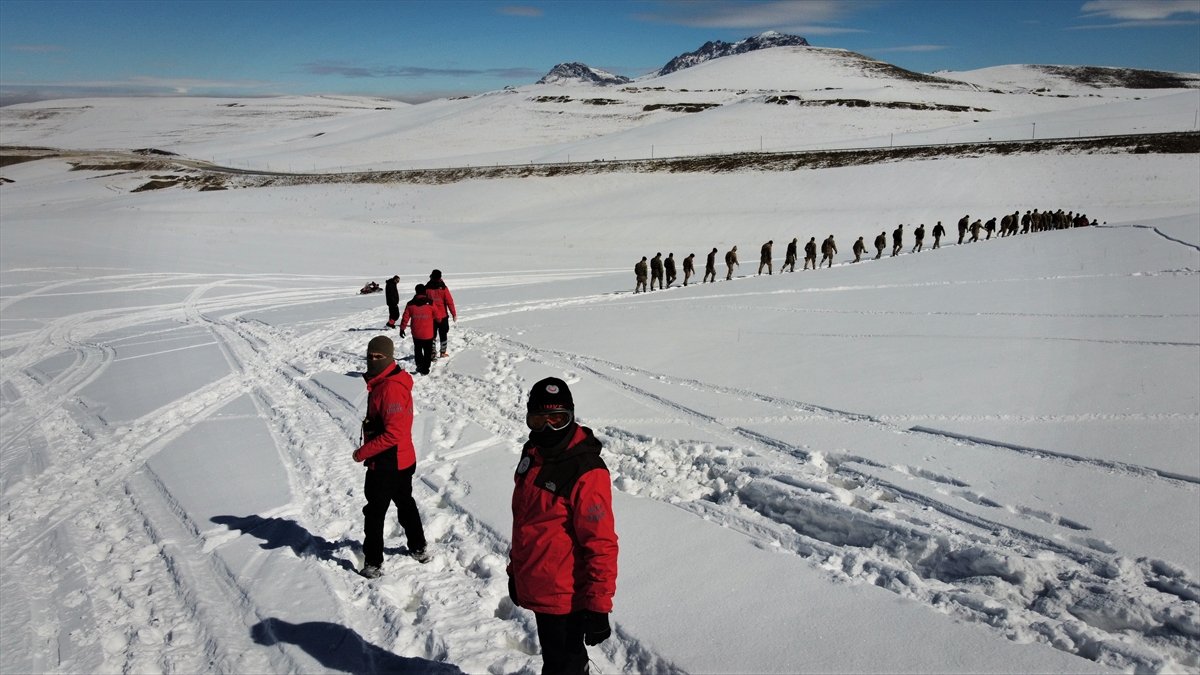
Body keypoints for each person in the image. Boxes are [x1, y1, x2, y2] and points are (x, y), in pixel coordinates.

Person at [509, 377, 618, 675]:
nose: (548, 428)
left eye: (557, 419)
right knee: (556, 661)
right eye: (538, 420)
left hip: (566, 597)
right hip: (540, 586)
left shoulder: (586, 471)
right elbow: (526, 522)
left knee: (563, 665)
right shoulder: (533, 453)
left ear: (571, 416)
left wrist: (598, 605)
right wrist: (515, 572)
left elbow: (601, 543)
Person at [353, 335, 429, 579]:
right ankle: (418, 546)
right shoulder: (386, 382)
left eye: (379, 356)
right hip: (399, 459)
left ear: (390, 357)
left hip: (389, 462)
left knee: (375, 513)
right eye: (370, 356)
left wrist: (362, 453)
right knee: (405, 503)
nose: (373, 360)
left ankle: (373, 562)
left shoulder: (390, 388)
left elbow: (394, 433)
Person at [399, 284, 436, 375]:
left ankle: (419, 365)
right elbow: (437, 315)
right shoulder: (431, 303)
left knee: (418, 350)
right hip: (428, 333)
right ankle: (426, 368)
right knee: (427, 351)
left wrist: (402, 328)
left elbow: (405, 318)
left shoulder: (410, 304)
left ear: (416, 291)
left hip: (417, 333)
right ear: (425, 292)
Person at [424, 270, 457, 358]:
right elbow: (449, 302)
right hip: (442, 316)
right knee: (443, 334)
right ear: (440, 277)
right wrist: (454, 314)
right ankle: (442, 352)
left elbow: (423, 301)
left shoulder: (427, 288)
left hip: (431, 316)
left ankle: (432, 352)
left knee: (432, 335)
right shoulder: (443, 288)